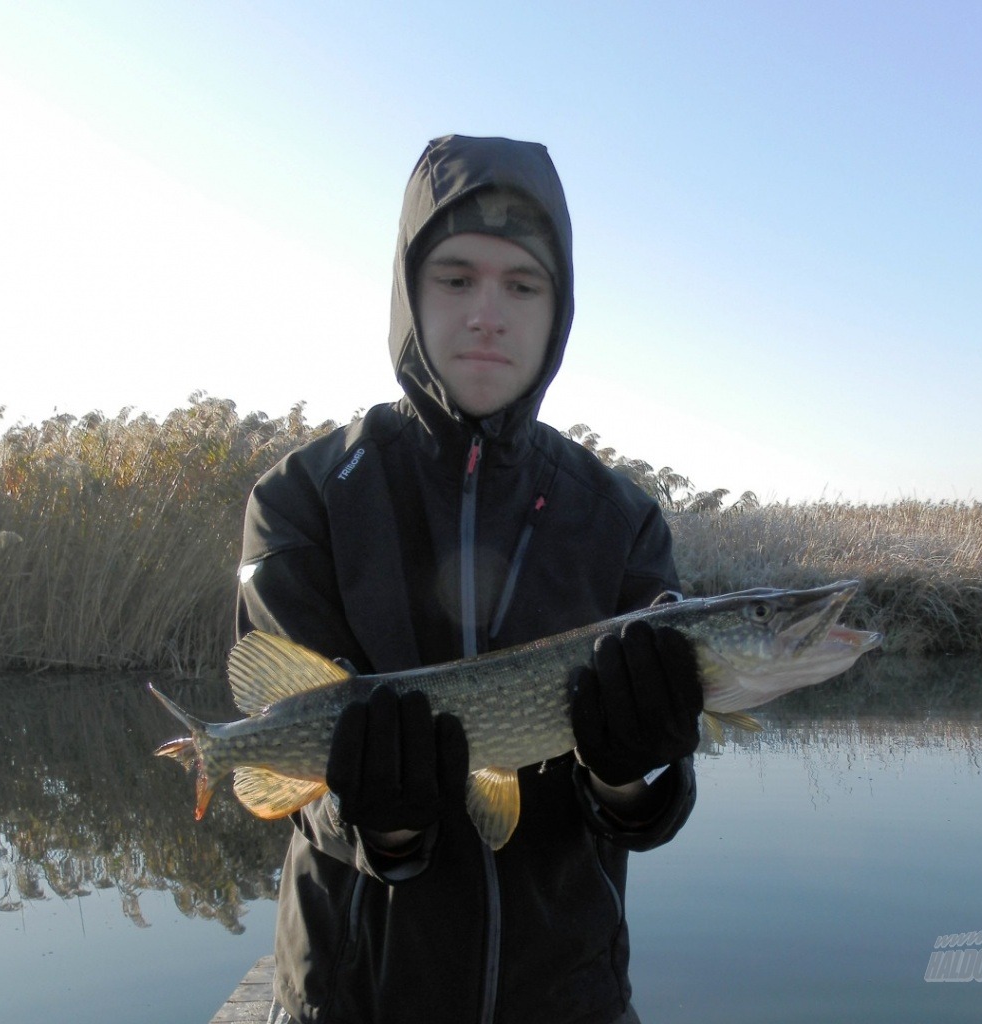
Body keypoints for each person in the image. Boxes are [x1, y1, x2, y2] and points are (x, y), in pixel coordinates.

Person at [237, 134, 702, 1024]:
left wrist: (630, 774)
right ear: (409, 294)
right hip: (354, 999)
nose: (489, 313)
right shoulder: (301, 501)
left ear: (557, 308)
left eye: (522, 285)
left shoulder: (621, 519)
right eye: (456, 279)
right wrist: (386, 822)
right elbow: (288, 758)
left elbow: (647, 810)